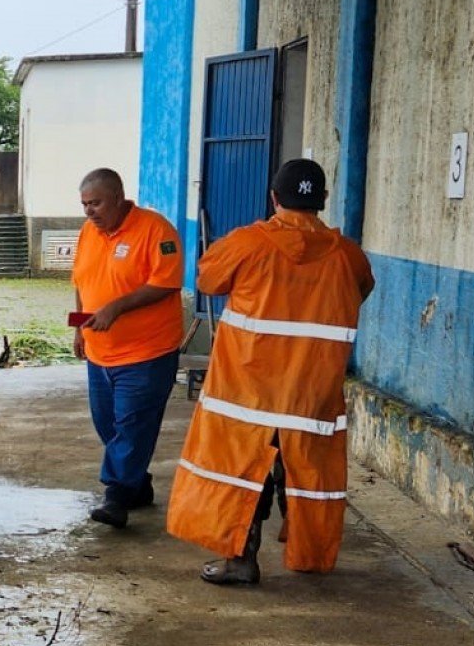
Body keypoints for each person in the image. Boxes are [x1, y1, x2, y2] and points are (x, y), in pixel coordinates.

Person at [167, 159, 375, 585]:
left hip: (248, 394)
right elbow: (362, 289)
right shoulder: (348, 256)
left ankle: (240, 559)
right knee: (304, 474)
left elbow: (208, 279)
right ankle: (309, 555)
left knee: (245, 473)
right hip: (310, 394)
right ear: (322, 201)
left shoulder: (247, 244)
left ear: (274, 198)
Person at [71, 167, 187, 529]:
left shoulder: (155, 229)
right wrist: (79, 329)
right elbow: (81, 280)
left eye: (97, 203)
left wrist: (117, 307)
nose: (90, 211)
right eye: (85, 204)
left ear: (119, 199)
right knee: (107, 424)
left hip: (147, 353)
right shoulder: (88, 232)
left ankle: (117, 495)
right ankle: (136, 484)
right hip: (99, 352)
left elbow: (167, 283)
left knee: (132, 425)